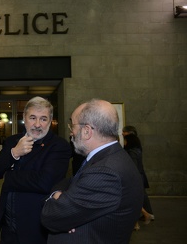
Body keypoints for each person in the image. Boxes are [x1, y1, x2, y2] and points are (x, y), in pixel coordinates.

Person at [41, 99, 144, 244]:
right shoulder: (110, 157)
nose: (71, 132)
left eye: (73, 126)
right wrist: (58, 195)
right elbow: (70, 181)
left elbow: (51, 216)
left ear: (87, 131)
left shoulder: (105, 172)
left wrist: (57, 199)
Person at [0, 96, 71, 244]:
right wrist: (14, 153)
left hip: (35, 229)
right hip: (8, 227)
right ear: (24, 118)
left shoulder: (59, 146)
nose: (37, 124)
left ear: (50, 121)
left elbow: (45, 182)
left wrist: (9, 175)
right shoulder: (13, 141)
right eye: (32, 118)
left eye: (43, 119)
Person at [123, 128, 154, 229]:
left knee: (133, 198)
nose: (124, 142)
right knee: (138, 197)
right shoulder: (137, 149)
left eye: (125, 140)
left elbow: (133, 166)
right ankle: (145, 215)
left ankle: (143, 217)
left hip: (134, 177)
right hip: (139, 176)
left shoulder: (131, 152)